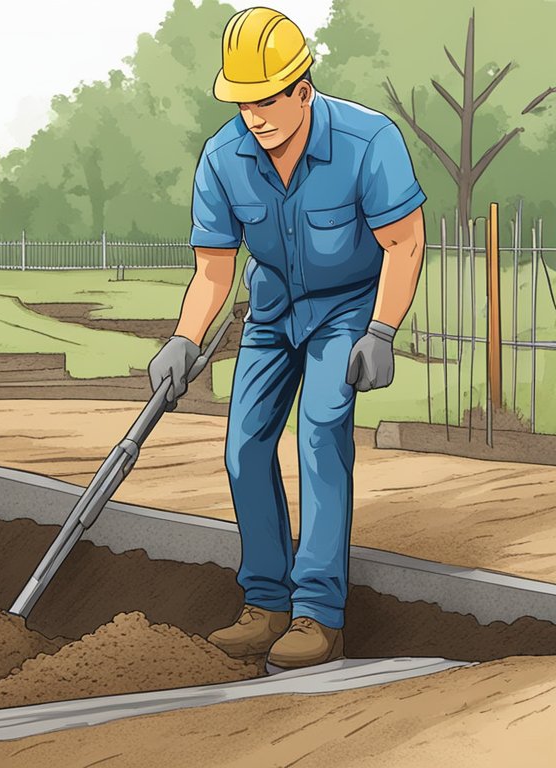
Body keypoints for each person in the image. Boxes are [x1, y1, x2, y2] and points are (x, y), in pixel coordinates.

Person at [148, 7, 425, 669]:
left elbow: (404, 240)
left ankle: (318, 615)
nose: (255, 116)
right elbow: (215, 269)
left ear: (303, 88)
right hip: (271, 314)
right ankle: (265, 601)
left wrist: (381, 330)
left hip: (347, 310)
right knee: (245, 447)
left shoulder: (368, 141)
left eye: (268, 99)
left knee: (321, 437)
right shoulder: (223, 157)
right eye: (244, 102)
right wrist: (185, 339)